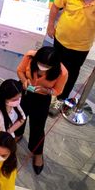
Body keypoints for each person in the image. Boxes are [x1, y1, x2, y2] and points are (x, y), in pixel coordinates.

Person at [16, 46, 66, 174]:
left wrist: (47, 91)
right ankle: (17, 134)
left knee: (38, 126)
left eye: (46, 66)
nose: (42, 68)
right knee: (19, 116)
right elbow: (20, 71)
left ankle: (37, 152)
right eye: (40, 64)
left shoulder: (62, 72)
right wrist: (24, 81)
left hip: (42, 99)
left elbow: (58, 91)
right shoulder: (30, 56)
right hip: (25, 92)